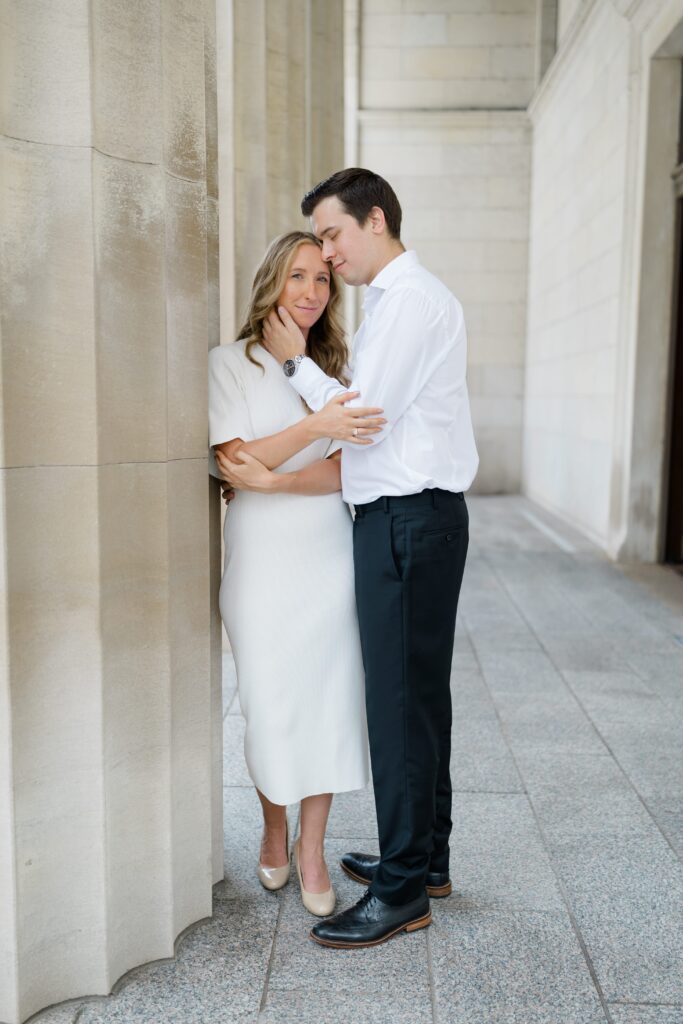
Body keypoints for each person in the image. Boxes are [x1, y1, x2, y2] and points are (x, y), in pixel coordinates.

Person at [260, 169, 479, 948]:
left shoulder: (412, 301)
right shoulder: (399, 302)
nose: (327, 252)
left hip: (407, 521)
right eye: (318, 238)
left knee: (396, 705)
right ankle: (425, 860)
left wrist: (295, 364)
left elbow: (365, 420)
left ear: (374, 219)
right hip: (410, 520)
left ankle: (402, 891)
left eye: (332, 234)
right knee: (418, 699)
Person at [209, 230, 384, 916]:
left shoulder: (339, 365)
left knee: (328, 704)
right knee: (270, 705)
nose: (311, 293)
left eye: (322, 280)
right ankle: (273, 827)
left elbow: (346, 473)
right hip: (258, 564)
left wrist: (276, 478)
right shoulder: (228, 363)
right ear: (271, 283)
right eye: (297, 278)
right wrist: (316, 428)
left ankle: (311, 848)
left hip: (326, 556)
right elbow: (233, 459)